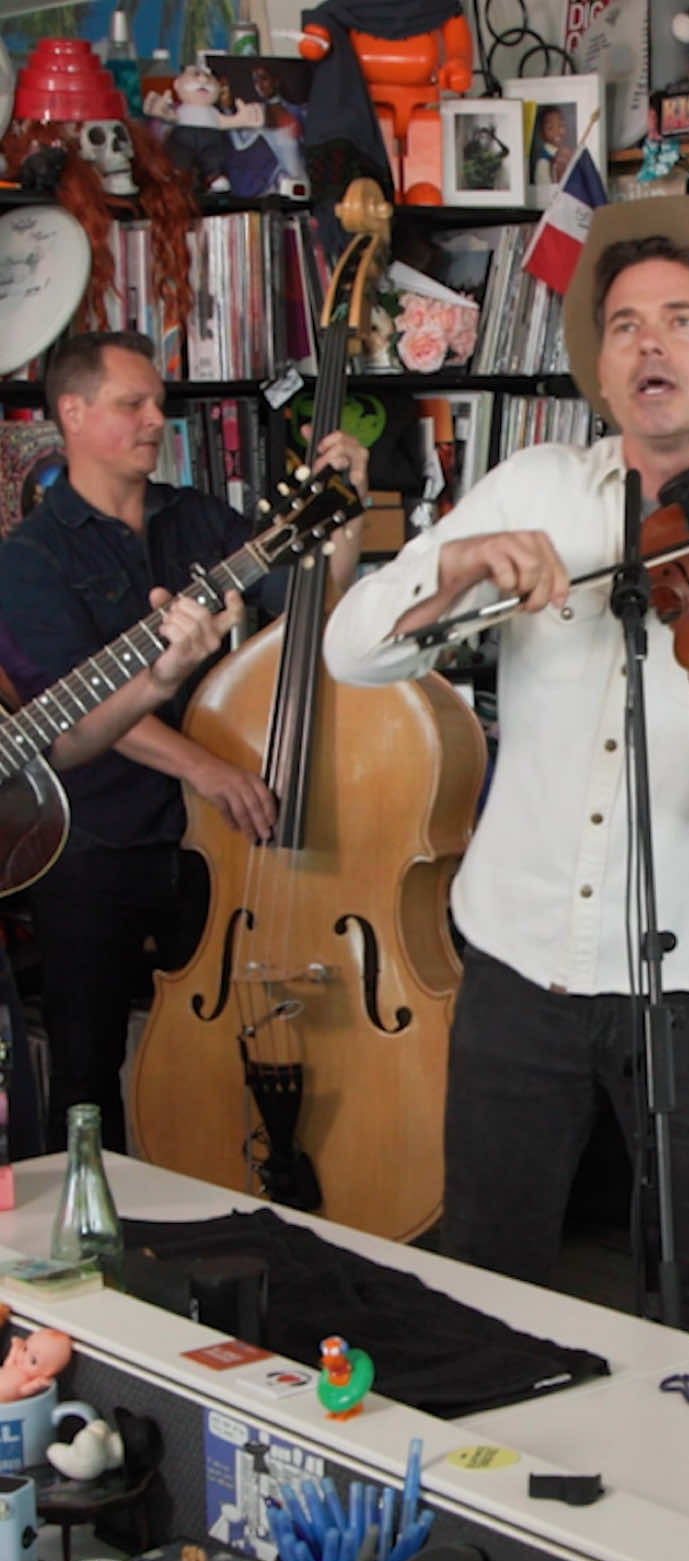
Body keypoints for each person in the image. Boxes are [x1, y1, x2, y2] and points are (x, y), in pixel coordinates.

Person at [323, 196, 689, 1344]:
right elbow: (353, 649)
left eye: (679, 321)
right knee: (487, 1271)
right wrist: (461, 566)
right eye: (623, 327)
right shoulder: (535, 491)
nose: (648, 345)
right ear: (604, 366)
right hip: (521, 958)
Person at [0, 329, 369, 1156]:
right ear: (72, 412)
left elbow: (313, 604)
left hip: (216, 838)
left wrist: (343, 518)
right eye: (132, 404)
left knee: (230, 1029)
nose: (154, 419)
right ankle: (88, 1229)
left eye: (157, 403)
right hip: (97, 838)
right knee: (87, 1064)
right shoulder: (29, 557)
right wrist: (202, 764)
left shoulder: (198, 519)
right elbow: (63, 710)